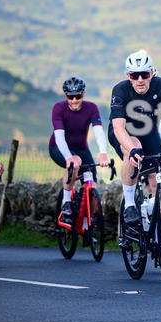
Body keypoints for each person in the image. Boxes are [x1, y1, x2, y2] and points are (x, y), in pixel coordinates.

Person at [109, 50, 161, 229]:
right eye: (134, 75)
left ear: (151, 73)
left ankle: (159, 235)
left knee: (157, 180)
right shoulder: (120, 90)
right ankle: (130, 205)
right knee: (134, 148)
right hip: (123, 132)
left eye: (144, 74)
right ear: (128, 76)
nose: (140, 79)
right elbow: (118, 127)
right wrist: (131, 149)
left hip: (149, 132)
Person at [49, 76, 109, 223]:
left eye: (78, 96)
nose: (75, 100)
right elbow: (59, 136)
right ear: (65, 96)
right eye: (71, 96)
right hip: (58, 147)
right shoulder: (59, 108)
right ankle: (66, 202)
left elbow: (99, 131)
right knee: (74, 163)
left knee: (92, 187)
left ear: (83, 94)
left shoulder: (91, 108)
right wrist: (69, 157)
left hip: (82, 149)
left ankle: (85, 228)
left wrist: (103, 153)